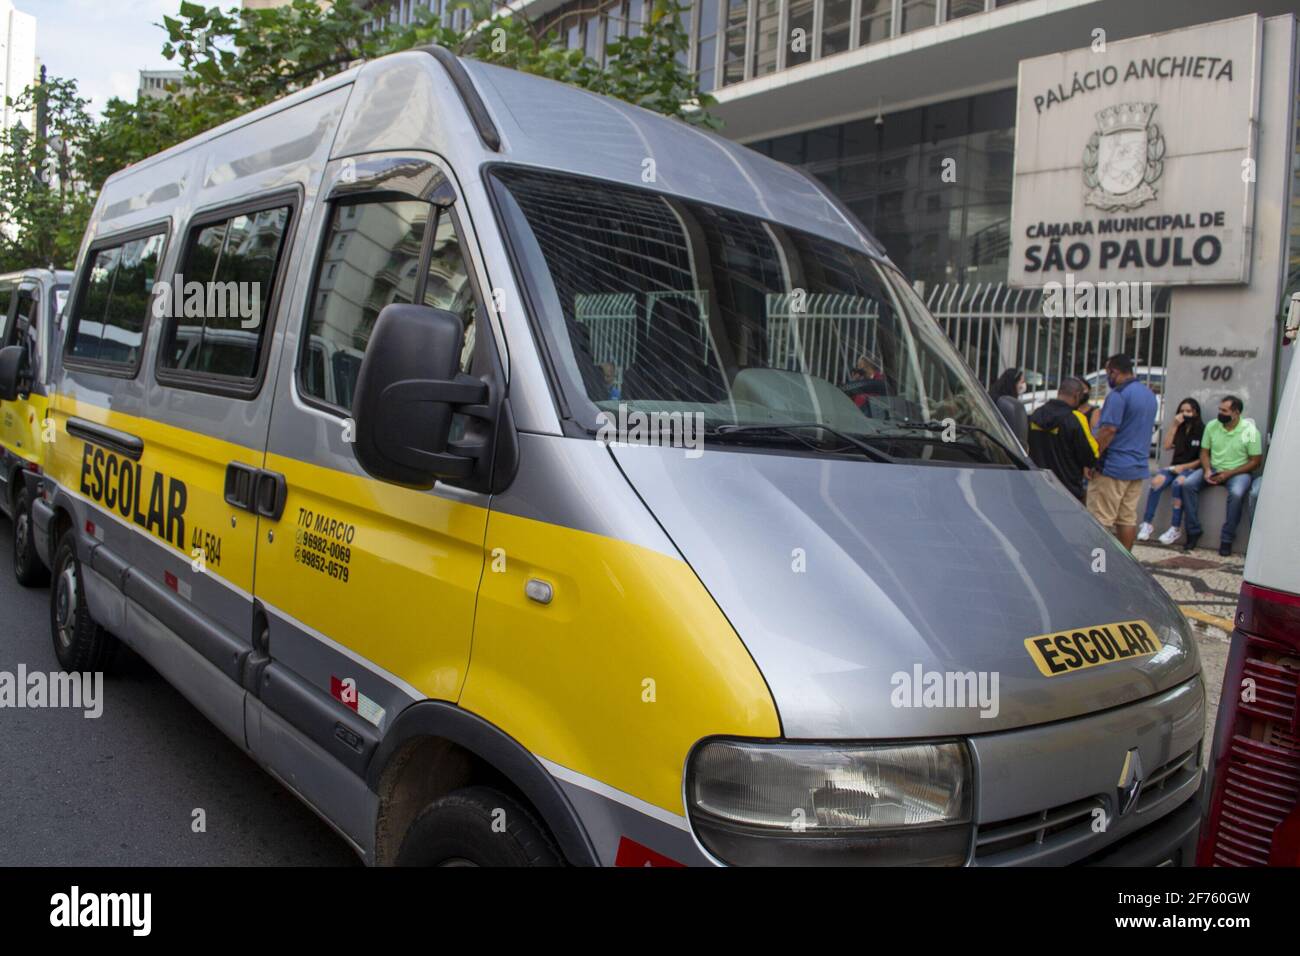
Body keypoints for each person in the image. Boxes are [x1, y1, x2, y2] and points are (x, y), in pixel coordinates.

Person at [1086, 354, 1159, 550]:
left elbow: (1108, 430)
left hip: (1113, 467)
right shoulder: (1148, 395)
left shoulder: (1118, 395)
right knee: (1127, 519)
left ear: (1114, 372)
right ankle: (1126, 566)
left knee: (1100, 519)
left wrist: (1093, 459)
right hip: (1137, 467)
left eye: (1108, 372)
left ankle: (1097, 567)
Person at [1180, 395, 1263, 556]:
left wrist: (1229, 474)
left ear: (1236, 412)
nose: (1220, 413)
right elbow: (1204, 452)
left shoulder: (1250, 431)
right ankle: (1193, 531)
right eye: (1219, 409)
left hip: (1239, 472)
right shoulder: (1212, 426)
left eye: (1224, 411)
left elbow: (1255, 462)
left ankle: (1227, 539)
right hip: (1214, 468)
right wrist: (1207, 470)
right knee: (1188, 485)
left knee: (1237, 494)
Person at [1137, 397, 1204, 545]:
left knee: (1178, 484)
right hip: (1174, 467)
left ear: (1195, 412)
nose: (1185, 414)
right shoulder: (1178, 427)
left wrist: (1183, 468)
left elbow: (1203, 458)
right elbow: (1166, 446)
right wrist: (1174, 426)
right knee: (1156, 482)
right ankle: (1147, 523)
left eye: (1188, 411)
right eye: (1182, 411)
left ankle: (1175, 527)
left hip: (1191, 468)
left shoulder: (1201, 429)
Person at [1027, 377, 1096, 501]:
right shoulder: (1077, 419)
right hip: (1067, 491)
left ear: (1059, 392)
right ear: (1077, 395)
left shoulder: (1036, 414)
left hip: (1037, 488)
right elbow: (1091, 455)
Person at [989, 367, 1029, 448]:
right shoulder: (1004, 403)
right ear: (1013, 383)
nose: (1023, 385)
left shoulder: (993, 396)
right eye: (1021, 382)